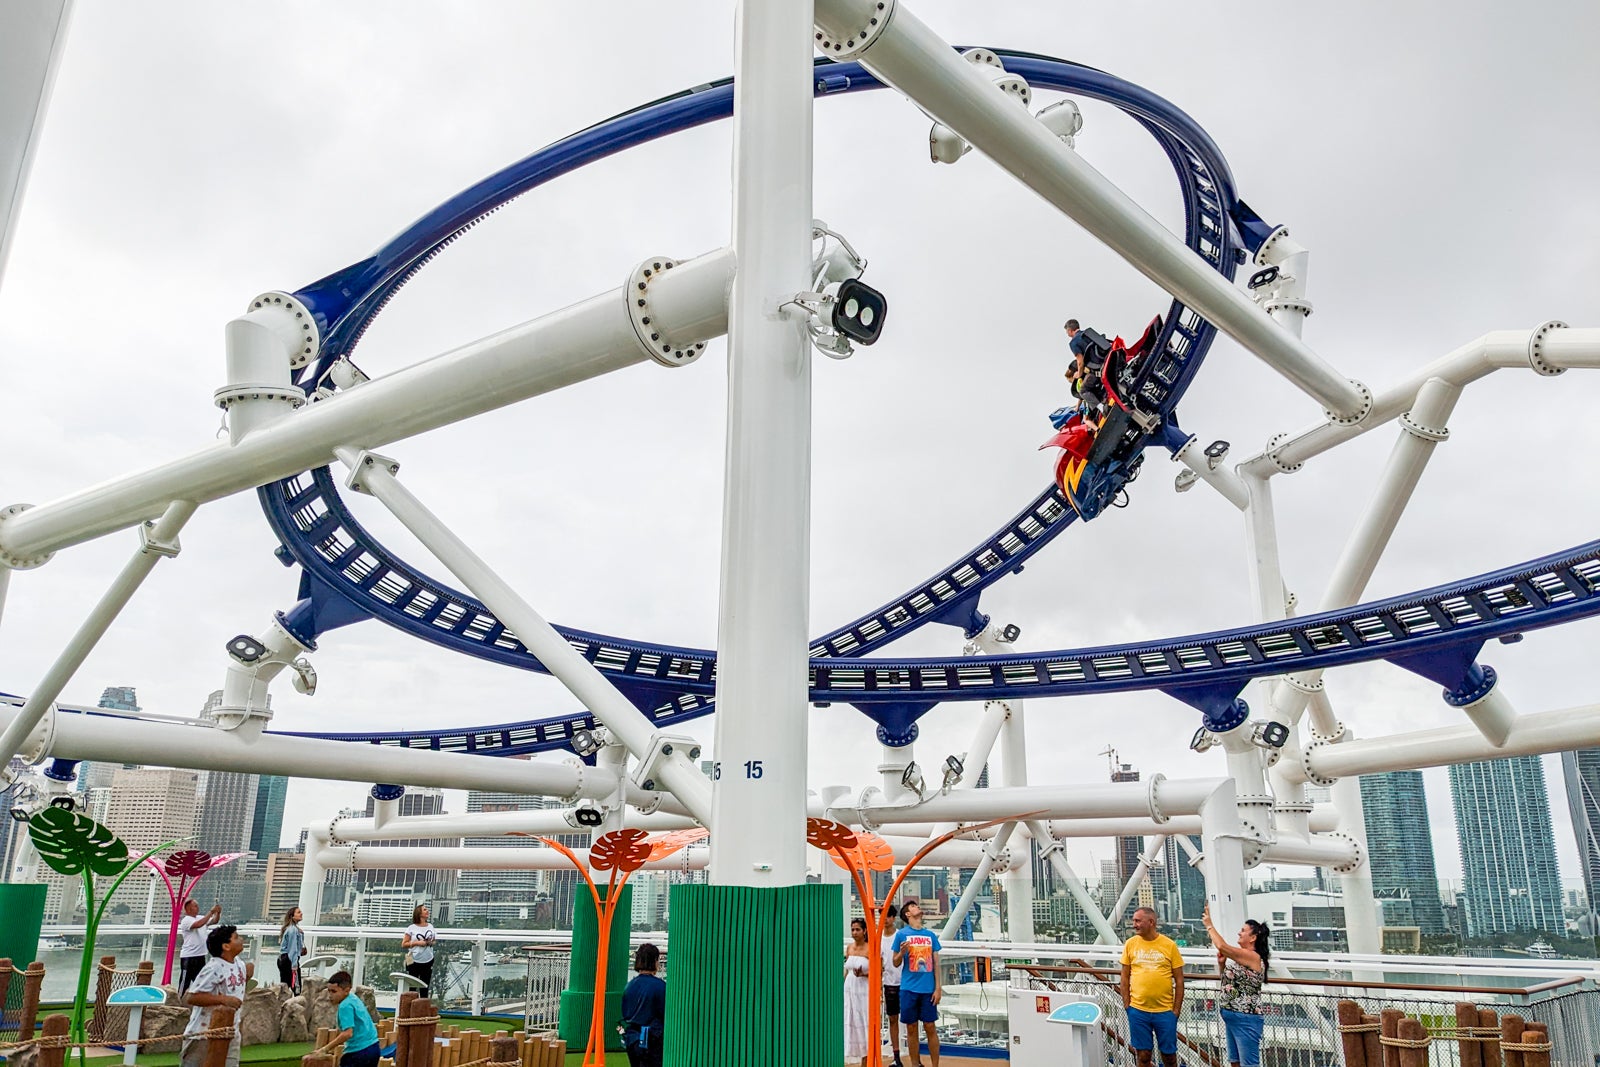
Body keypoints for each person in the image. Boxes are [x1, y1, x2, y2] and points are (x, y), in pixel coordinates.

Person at [1203, 905, 1270, 1067]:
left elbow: (1222, 947)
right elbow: (1230, 983)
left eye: (1243, 930)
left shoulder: (1252, 956)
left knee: (1249, 1064)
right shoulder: (1242, 958)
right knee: (1235, 1062)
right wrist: (1222, 965)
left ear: (1253, 938)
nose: (1239, 933)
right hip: (1232, 1016)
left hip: (1245, 1017)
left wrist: (1209, 925)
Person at [1120, 906, 1185, 1067]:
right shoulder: (1130, 944)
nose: (1133, 924)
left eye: (1137, 921)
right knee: (1143, 1055)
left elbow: (1179, 980)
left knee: (1169, 1056)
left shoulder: (1169, 945)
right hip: (1138, 1010)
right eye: (1133, 920)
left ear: (1151, 922)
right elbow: (1124, 976)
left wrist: (1176, 1010)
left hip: (1164, 1011)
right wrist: (1127, 1004)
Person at [180, 924, 252, 1067]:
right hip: (203, 1033)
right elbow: (192, 997)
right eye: (236, 938)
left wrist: (249, 971)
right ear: (226, 946)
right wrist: (224, 1000)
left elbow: (239, 980)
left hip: (230, 1031)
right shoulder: (214, 967)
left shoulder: (239, 964)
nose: (241, 939)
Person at [890, 899, 942, 1067]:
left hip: (927, 989)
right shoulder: (901, 935)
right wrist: (902, 951)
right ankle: (915, 1064)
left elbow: (936, 962)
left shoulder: (930, 935)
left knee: (930, 1026)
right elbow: (895, 962)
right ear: (907, 914)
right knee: (911, 1027)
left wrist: (938, 987)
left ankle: (935, 1064)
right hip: (908, 988)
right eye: (913, 906)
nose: (917, 907)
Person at [619, 943, 666, 1067]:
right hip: (652, 1040)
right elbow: (664, 1014)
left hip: (632, 1038)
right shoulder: (660, 986)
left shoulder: (630, 986)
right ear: (655, 961)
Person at [326, 970, 381, 1067]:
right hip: (374, 1047)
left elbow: (348, 1033)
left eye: (334, 991)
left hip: (359, 1052)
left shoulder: (345, 1005)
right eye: (329, 991)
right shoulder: (353, 998)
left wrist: (325, 1049)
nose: (330, 995)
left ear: (346, 990)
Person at [1064, 318, 1111, 417]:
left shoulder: (1073, 343)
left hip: (1097, 369)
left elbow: (1080, 362)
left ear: (1069, 330)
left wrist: (1079, 374)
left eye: (1067, 332)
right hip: (1109, 359)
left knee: (1083, 390)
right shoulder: (1089, 333)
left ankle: (1103, 409)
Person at [176, 900, 222, 994]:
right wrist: (211, 912)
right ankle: (179, 999)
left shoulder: (200, 918)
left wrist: (217, 912)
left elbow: (214, 921)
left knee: (201, 980)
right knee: (185, 981)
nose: (198, 908)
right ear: (189, 909)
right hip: (188, 956)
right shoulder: (186, 920)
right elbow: (198, 924)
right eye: (195, 906)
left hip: (200, 955)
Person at [844, 918, 872, 1066]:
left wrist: (864, 974)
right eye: (853, 929)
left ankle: (866, 1060)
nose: (855, 932)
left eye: (858, 929)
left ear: (864, 931)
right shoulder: (849, 948)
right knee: (850, 1021)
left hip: (864, 989)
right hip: (849, 988)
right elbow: (846, 970)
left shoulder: (870, 948)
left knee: (864, 1022)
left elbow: (878, 971)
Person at [880, 904, 905, 1067]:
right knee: (893, 1019)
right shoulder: (878, 938)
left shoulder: (900, 936)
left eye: (888, 916)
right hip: (889, 983)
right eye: (883, 916)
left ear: (893, 918)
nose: (886, 920)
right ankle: (896, 1055)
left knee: (910, 1020)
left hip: (906, 982)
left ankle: (912, 1053)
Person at [400, 904, 436, 994]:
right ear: (419, 914)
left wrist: (429, 942)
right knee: (412, 988)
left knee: (425, 987)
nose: (427, 911)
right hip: (414, 961)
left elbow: (434, 940)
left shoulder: (430, 926)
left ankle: (423, 1007)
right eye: (424, 910)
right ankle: (410, 1006)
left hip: (428, 960)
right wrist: (417, 943)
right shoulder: (411, 928)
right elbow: (404, 944)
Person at [278, 907, 306, 993]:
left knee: (285, 986)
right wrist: (294, 966)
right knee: (296, 988)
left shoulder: (292, 929)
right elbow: (293, 949)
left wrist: (301, 934)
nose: (301, 913)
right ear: (292, 916)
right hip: (289, 960)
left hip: (284, 959)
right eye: (298, 912)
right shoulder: (293, 930)